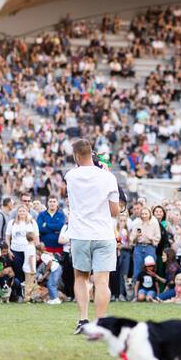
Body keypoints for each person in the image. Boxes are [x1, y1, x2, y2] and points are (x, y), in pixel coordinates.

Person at [64, 139, 121, 334]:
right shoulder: (108, 177)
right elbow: (115, 211)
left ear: (76, 156)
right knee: (102, 281)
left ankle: (83, 320)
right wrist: (105, 172)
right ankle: (102, 322)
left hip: (80, 234)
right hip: (103, 233)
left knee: (81, 278)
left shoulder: (70, 176)